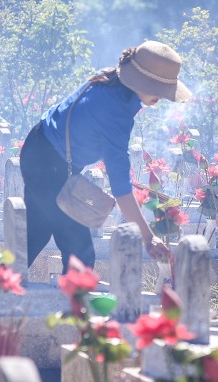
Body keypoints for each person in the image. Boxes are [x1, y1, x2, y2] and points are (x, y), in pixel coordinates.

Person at [20, 40, 192, 272]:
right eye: (156, 88)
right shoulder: (116, 111)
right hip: (48, 165)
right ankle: (71, 306)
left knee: (35, 235)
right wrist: (148, 237)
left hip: (40, 146)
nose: (161, 96)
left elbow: (88, 129)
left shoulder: (110, 79)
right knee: (80, 255)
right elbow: (120, 187)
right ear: (139, 80)